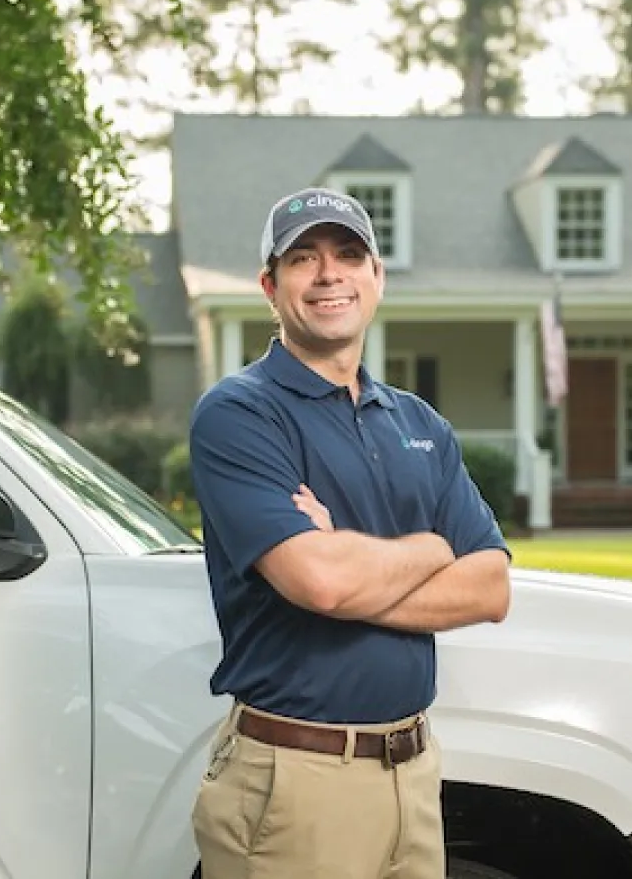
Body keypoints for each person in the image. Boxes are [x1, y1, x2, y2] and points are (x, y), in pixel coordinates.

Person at [189, 186, 511, 879]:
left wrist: (348, 556)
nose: (329, 272)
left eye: (348, 254)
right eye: (303, 258)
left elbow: (490, 588)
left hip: (414, 774)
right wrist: (431, 548)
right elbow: (321, 581)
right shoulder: (240, 415)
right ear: (270, 288)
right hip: (296, 785)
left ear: (376, 278)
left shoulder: (420, 425)